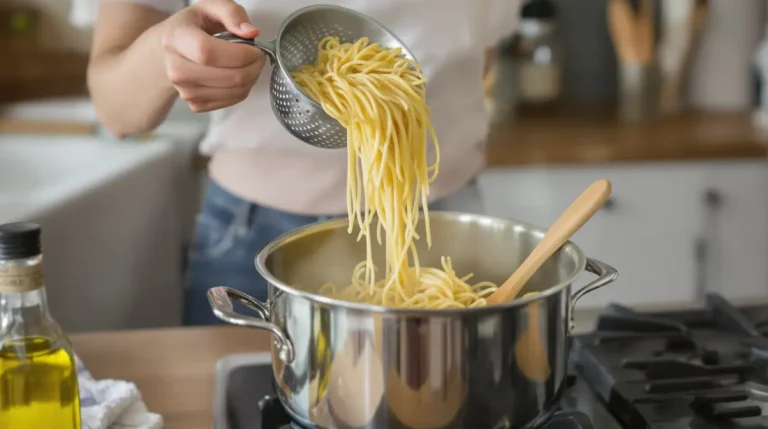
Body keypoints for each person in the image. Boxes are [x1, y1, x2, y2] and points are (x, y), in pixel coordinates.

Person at [88, 0, 522, 325]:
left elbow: (480, 52)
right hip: (255, 240)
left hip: (439, 229)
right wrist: (165, 58)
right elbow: (117, 109)